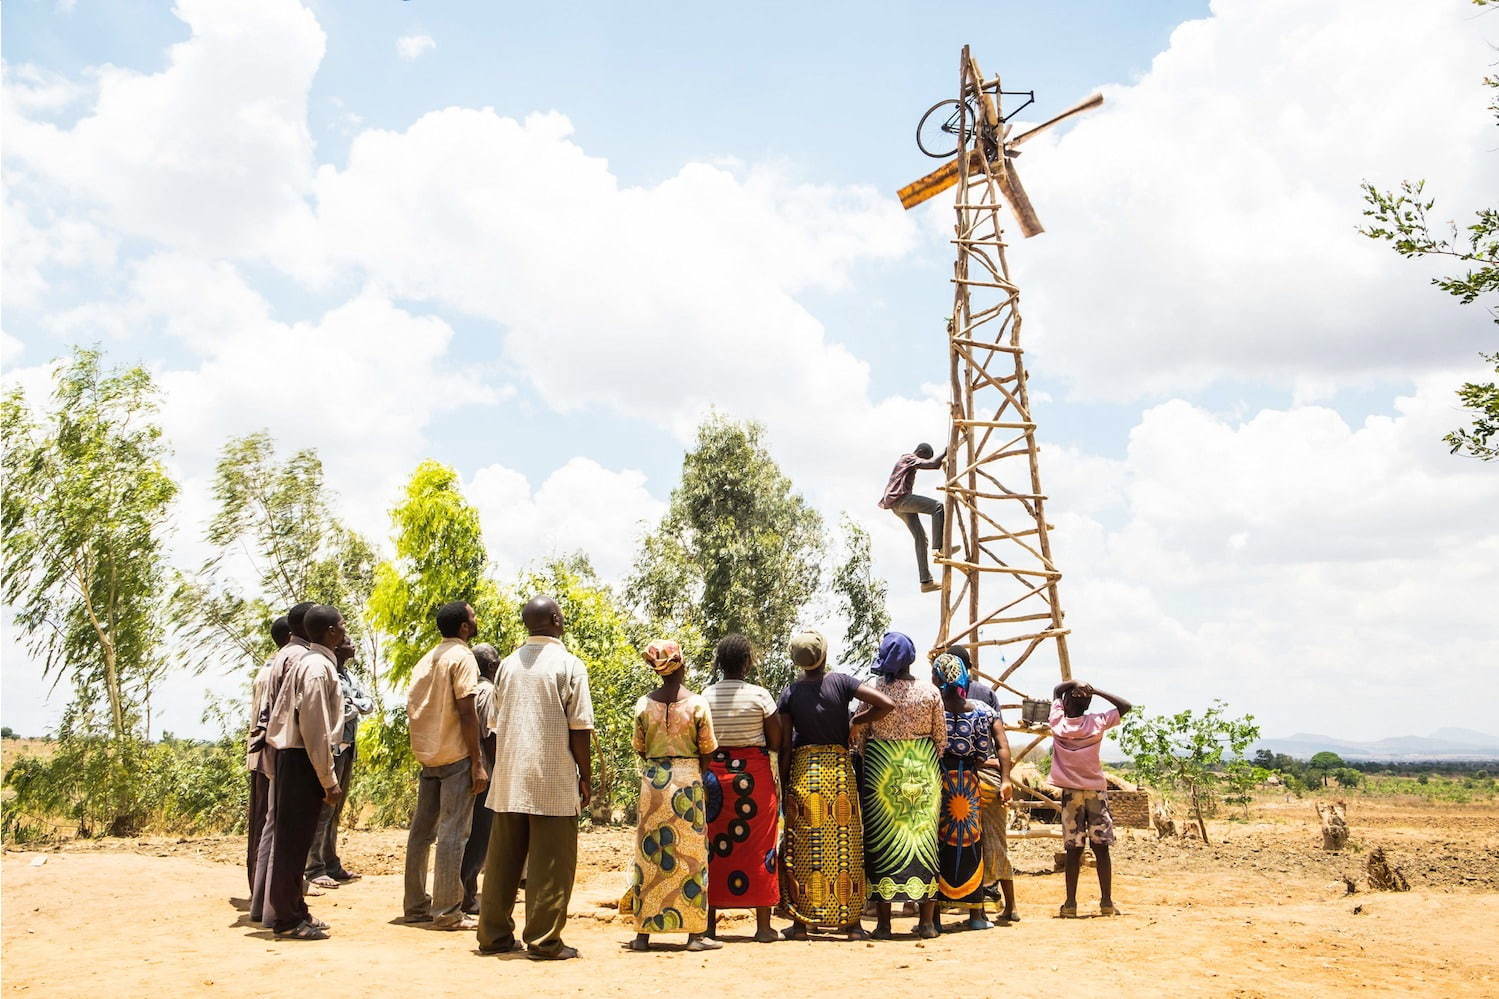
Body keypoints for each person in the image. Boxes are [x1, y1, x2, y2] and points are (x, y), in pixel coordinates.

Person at [478, 595, 594, 961]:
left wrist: (502, 769)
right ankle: (544, 940)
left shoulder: (507, 666)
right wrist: (585, 776)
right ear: (557, 620)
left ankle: (493, 935)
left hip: (510, 777)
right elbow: (580, 728)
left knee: (501, 862)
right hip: (552, 777)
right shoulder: (569, 665)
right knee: (552, 863)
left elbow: (494, 726)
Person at [776, 628, 894, 941]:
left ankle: (802, 924)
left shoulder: (789, 693)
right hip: (839, 774)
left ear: (798, 662)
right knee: (846, 849)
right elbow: (885, 704)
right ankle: (852, 924)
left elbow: (786, 746)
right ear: (824, 655)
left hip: (804, 774)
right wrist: (857, 721)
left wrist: (784, 782)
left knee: (804, 849)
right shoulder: (841, 682)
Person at [623, 639, 721, 952]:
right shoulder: (697, 704)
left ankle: (643, 934)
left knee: (652, 856)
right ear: (682, 665)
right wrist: (693, 774)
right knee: (691, 857)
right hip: (687, 783)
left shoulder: (643, 704)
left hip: (653, 783)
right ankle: (694, 934)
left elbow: (639, 745)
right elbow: (707, 749)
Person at [403, 601, 489, 931]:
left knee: (421, 834)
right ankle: (447, 912)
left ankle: (414, 906)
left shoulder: (427, 659)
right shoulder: (462, 657)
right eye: (473, 616)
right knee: (454, 833)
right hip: (455, 755)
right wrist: (477, 762)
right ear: (464, 628)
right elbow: (467, 711)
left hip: (428, 757)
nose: (476, 619)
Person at [263, 604, 346, 940]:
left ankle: (297, 910)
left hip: (299, 758)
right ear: (329, 632)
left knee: (296, 840)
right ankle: (287, 918)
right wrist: (328, 777)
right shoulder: (316, 668)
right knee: (292, 843)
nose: (345, 630)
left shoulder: (315, 663)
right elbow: (314, 725)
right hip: (303, 759)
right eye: (341, 625)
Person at [854, 632, 945, 940]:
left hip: (882, 776)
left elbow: (859, 735)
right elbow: (940, 740)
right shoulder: (930, 692)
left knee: (881, 843)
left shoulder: (873, 691)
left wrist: (880, 756)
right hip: (922, 772)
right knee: (924, 841)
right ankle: (928, 923)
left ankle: (883, 925)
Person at [701, 634, 782, 943]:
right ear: (748, 662)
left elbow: (701, 740)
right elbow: (775, 741)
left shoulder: (705, 696)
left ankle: (709, 926)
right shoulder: (760, 696)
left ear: (719, 664)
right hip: (754, 779)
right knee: (761, 847)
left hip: (715, 780)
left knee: (713, 849)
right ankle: (763, 928)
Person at [930, 649, 1014, 932]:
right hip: (969, 784)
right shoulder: (982, 710)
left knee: (939, 844)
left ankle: (935, 918)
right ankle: (977, 915)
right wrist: (1005, 779)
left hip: (939, 783)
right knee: (972, 844)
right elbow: (998, 747)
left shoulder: (932, 709)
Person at [249, 601, 316, 926]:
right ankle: (280, 911)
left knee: (273, 827)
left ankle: (263, 905)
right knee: (284, 831)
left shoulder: (282, 657)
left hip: (276, 748)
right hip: (290, 749)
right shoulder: (299, 658)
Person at [1051, 679, 1132, 918]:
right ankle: (1106, 902)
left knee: (1073, 850)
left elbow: (1057, 689)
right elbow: (1125, 706)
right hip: (1095, 792)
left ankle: (1070, 904)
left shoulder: (1058, 722)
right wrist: (1095, 690)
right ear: (1087, 704)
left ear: (1065, 704)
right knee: (1101, 848)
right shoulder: (1097, 722)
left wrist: (1073, 683)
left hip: (1070, 794)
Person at [305, 637, 375, 889]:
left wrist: (352, 705)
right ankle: (314, 867)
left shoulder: (347, 675)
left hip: (348, 746)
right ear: (336, 646)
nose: (354, 644)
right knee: (324, 808)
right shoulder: (326, 672)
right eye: (348, 641)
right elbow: (337, 711)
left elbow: (367, 703)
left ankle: (331, 863)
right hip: (332, 748)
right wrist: (354, 705)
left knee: (335, 810)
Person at [246, 616, 291, 894]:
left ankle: (261, 886)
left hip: (265, 756)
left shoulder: (270, 669)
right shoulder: (274, 671)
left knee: (264, 822)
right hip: (268, 758)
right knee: (264, 823)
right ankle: (260, 888)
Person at [460, 642, 502, 915]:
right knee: (480, 833)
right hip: (484, 771)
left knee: (466, 832)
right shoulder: (487, 692)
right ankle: (467, 894)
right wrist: (497, 768)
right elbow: (491, 735)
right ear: (490, 666)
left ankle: (463, 890)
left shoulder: (468, 690)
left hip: (463, 767)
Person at [877, 442, 949, 593]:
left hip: (896, 504)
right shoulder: (908, 458)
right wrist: (947, 450)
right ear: (920, 452)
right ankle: (939, 548)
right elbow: (933, 464)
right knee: (937, 507)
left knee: (920, 538)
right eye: (924, 457)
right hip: (900, 500)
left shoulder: (906, 462)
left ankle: (926, 582)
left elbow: (932, 463)